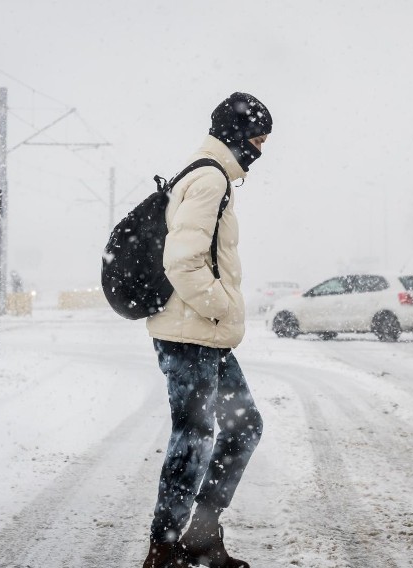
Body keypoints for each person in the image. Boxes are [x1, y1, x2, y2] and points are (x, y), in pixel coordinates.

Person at [142, 92, 272, 568]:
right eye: (257, 140)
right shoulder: (208, 179)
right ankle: (165, 548)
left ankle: (198, 535)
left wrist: (219, 316)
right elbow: (181, 261)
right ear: (236, 135)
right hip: (191, 333)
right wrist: (224, 309)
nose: (260, 151)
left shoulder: (210, 176)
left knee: (243, 425)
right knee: (194, 435)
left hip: (202, 334)